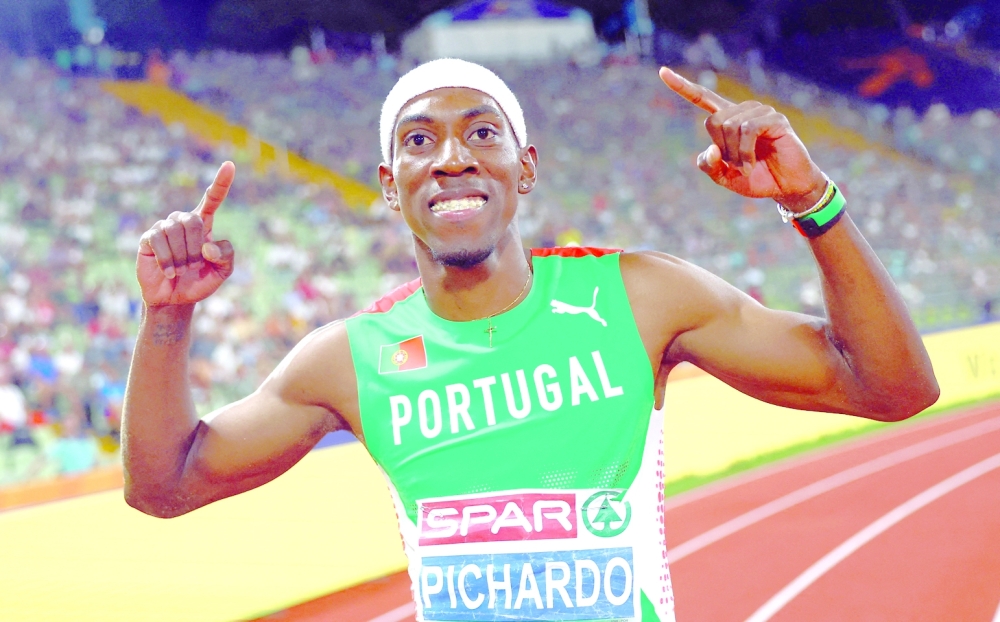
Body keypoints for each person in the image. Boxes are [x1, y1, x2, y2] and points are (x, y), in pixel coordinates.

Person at [122, 59, 939, 621]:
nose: (450, 158)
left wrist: (810, 200)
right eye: (417, 140)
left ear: (525, 167)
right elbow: (165, 484)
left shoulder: (638, 296)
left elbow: (890, 387)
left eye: (482, 134)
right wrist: (167, 320)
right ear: (388, 184)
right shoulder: (350, 357)